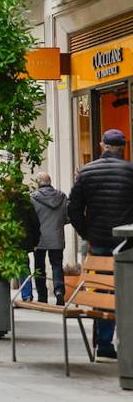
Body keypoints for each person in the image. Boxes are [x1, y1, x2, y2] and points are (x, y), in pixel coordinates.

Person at [68, 128, 133, 359]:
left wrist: (87, 233)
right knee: (127, 291)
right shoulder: (130, 171)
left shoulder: (87, 172)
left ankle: (104, 344)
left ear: (101, 144)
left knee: (103, 290)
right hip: (126, 242)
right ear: (123, 147)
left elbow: (73, 209)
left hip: (99, 243)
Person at [29, 172, 68, 305]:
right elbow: (67, 216)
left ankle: (42, 296)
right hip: (57, 236)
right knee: (57, 265)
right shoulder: (62, 197)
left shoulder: (33, 198)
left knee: (39, 267)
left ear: (38, 183)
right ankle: (59, 291)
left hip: (39, 237)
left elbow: (31, 219)